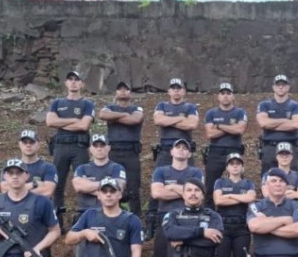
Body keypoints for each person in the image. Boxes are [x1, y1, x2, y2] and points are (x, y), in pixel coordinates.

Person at [143, 139, 204, 257]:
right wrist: (185, 190)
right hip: (165, 220)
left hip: (190, 220)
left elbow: (197, 197)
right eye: (178, 147)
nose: (181, 150)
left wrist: (171, 188)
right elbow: (156, 194)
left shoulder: (196, 172)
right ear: (171, 151)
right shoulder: (161, 171)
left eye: (185, 148)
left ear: (189, 154)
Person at [0, 129, 58, 257]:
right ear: (19, 144)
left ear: (38, 143)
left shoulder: (47, 167)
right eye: (24, 141)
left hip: (38, 223)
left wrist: (21, 188)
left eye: (31, 141)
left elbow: (48, 191)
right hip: (12, 223)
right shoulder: (10, 165)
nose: (28, 145)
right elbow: (4, 189)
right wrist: (33, 185)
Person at [70, 134, 127, 257]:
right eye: (96, 145)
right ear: (90, 149)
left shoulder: (117, 168)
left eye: (103, 145)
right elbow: (78, 186)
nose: (100, 148)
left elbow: (120, 187)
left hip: (112, 217)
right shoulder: (82, 168)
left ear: (108, 148)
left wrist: (92, 187)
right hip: (85, 216)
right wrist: (105, 185)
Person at [145, 78, 199, 239]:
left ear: (184, 91)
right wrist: (181, 119)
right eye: (173, 88)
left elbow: (192, 124)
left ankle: (189, 218)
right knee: (157, 183)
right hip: (165, 151)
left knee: (192, 184)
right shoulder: (162, 106)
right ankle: (151, 224)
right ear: (169, 91)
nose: (176, 90)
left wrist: (169, 121)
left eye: (179, 88)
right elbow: (158, 120)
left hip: (185, 150)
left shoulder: (190, 107)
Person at [213, 152, 256, 257]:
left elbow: (251, 198)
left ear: (242, 166)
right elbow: (218, 201)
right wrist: (240, 198)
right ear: (227, 167)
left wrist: (229, 196)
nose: (235, 166)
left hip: (242, 230)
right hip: (223, 228)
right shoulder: (220, 182)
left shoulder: (249, 183)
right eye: (232, 163)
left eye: (238, 163)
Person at [45, 70, 94, 215]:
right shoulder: (57, 103)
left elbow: (83, 125)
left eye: (76, 79)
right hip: (60, 146)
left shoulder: (87, 104)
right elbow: (50, 122)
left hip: (80, 147)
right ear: (66, 83)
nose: (73, 82)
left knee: (83, 182)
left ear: (82, 84)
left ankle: (84, 214)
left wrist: (60, 123)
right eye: (70, 79)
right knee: (57, 183)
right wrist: (73, 120)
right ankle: (57, 215)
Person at [99, 81, 144, 217]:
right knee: (111, 186)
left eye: (126, 89)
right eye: (120, 89)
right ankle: (110, 217)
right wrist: (124, 115)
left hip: (131, 153)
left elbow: (135, 120)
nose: (123, 91)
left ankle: (136, 219)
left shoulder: (136, 108)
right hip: (113, 152)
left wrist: (115, 117)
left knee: (133, 189)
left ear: (131, 93)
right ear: (116, 93)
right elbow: (103, 115)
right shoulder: (109, 107)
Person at [203, 83, 248, 208]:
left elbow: (239, 130)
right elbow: (210, 134)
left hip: (234, 151)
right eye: (223, 93)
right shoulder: (211, 113)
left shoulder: (240, 112)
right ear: (218, 96)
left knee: (237, 184)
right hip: (215, 152)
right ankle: (209, 213)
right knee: (210, 186)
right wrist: (230, 128)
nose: (226, 96)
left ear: (233, 96)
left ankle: (237, 212)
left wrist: (219, 126)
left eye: (228, 93)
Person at [256, 75, 298, 171]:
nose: (281, 87)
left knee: (291, 177)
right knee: (269, 176)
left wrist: (271, 124)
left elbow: (295, 125)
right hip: (270, 147)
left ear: (288, 87)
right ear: (273, 87)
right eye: (278, 85)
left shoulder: (296, 106)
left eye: (283, 84)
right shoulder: (264, 105)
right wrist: (285, 121)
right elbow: (263, 124)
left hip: (290, 146)